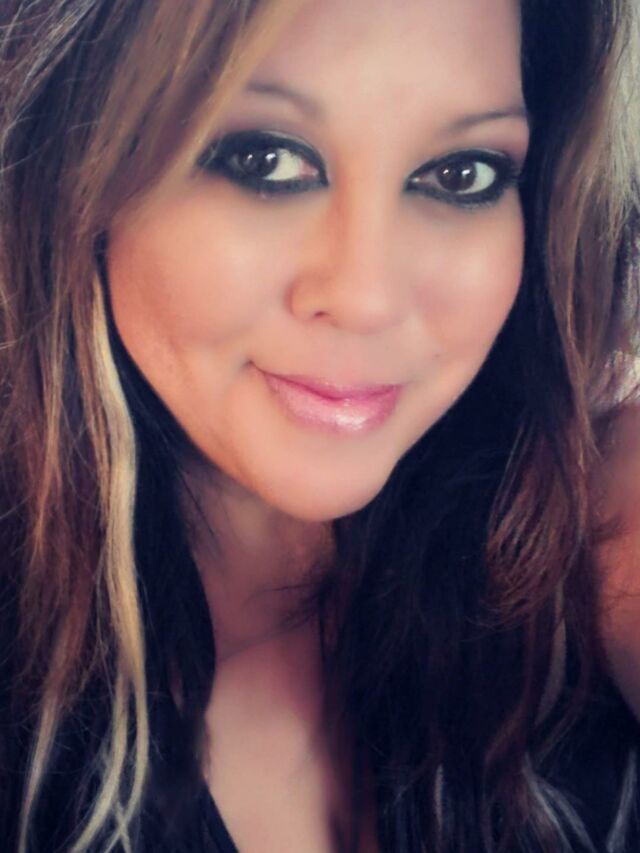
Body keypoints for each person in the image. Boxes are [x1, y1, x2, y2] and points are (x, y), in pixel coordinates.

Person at [0, 0, 639, 850]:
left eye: (460, 174)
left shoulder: (591, 542)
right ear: (71, 167)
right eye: (263, 159)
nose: (368, 297)